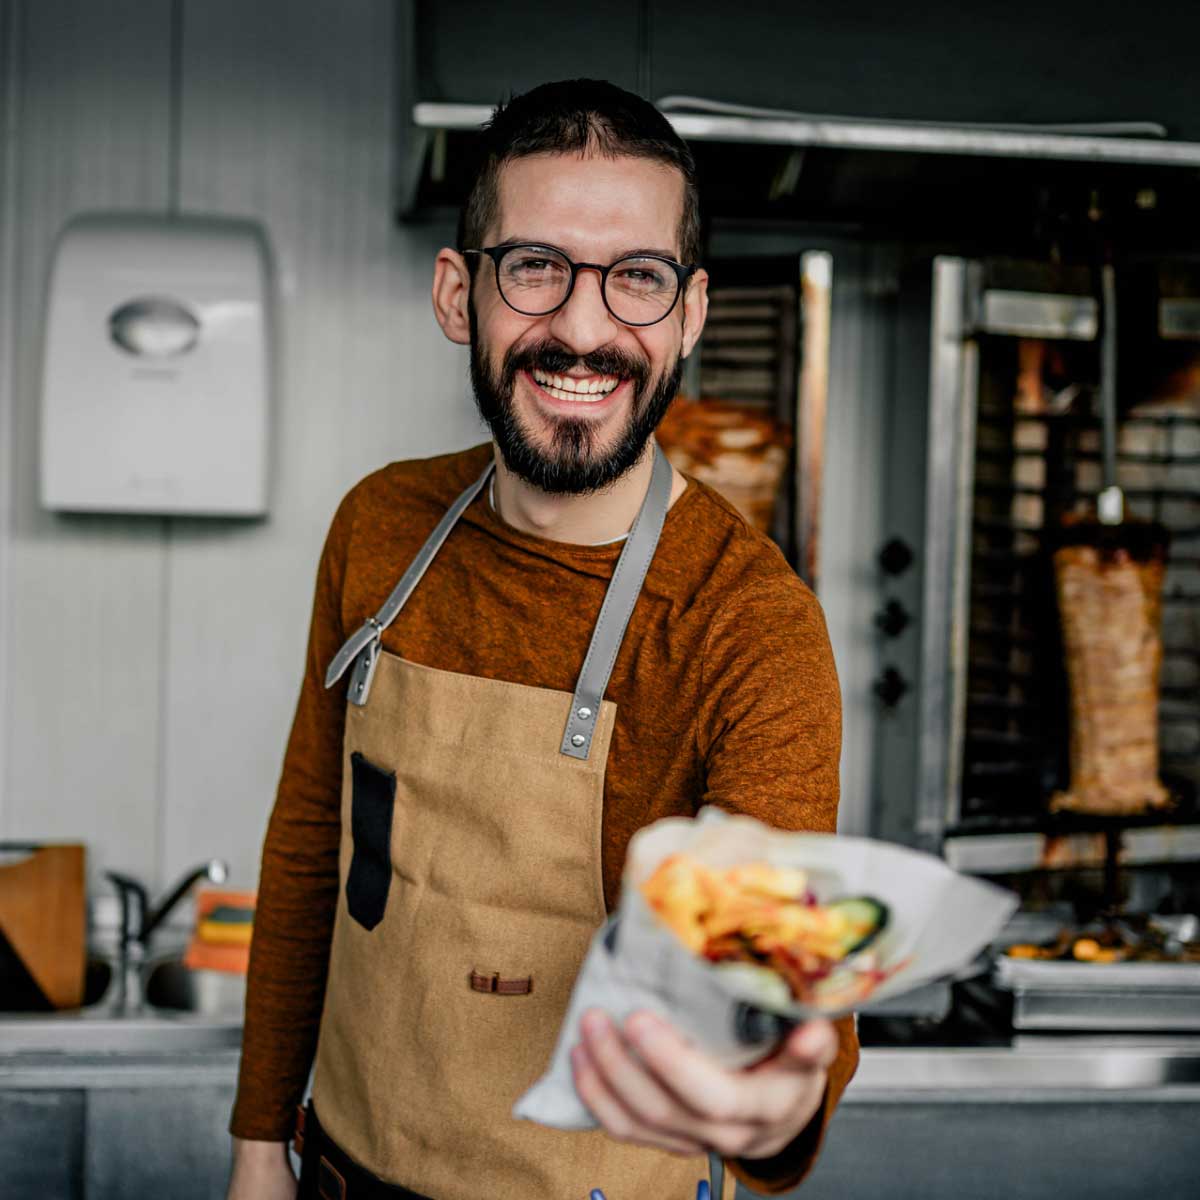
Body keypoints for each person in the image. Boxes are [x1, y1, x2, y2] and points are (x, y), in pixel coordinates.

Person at [226, 78, 858, 1200]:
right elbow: (310, 845)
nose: (580, 327)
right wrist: (256, 1144)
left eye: (637, 280)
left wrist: (774, 1073)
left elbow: (778, 986)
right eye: (534, 267)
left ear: (691, 314)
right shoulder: (380, 529)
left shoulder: (747, 626)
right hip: (338, 1176)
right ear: (458, 292)